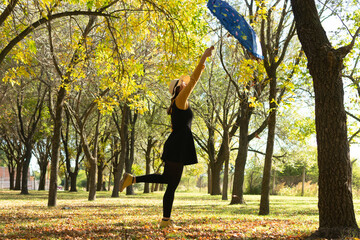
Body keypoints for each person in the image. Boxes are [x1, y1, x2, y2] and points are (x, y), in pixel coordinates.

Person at [119, 46, 215, 228]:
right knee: (171, 183)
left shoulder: (179, 102)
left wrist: (202, 64)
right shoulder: (179, 100)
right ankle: (163, 218)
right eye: (182, 83)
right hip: (178, 145)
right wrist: (203, 57)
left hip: (177, 144)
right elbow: (194, 80)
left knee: (169, 182)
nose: (185, 83)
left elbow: (191, 82)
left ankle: (137, 185)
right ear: (179, 88)